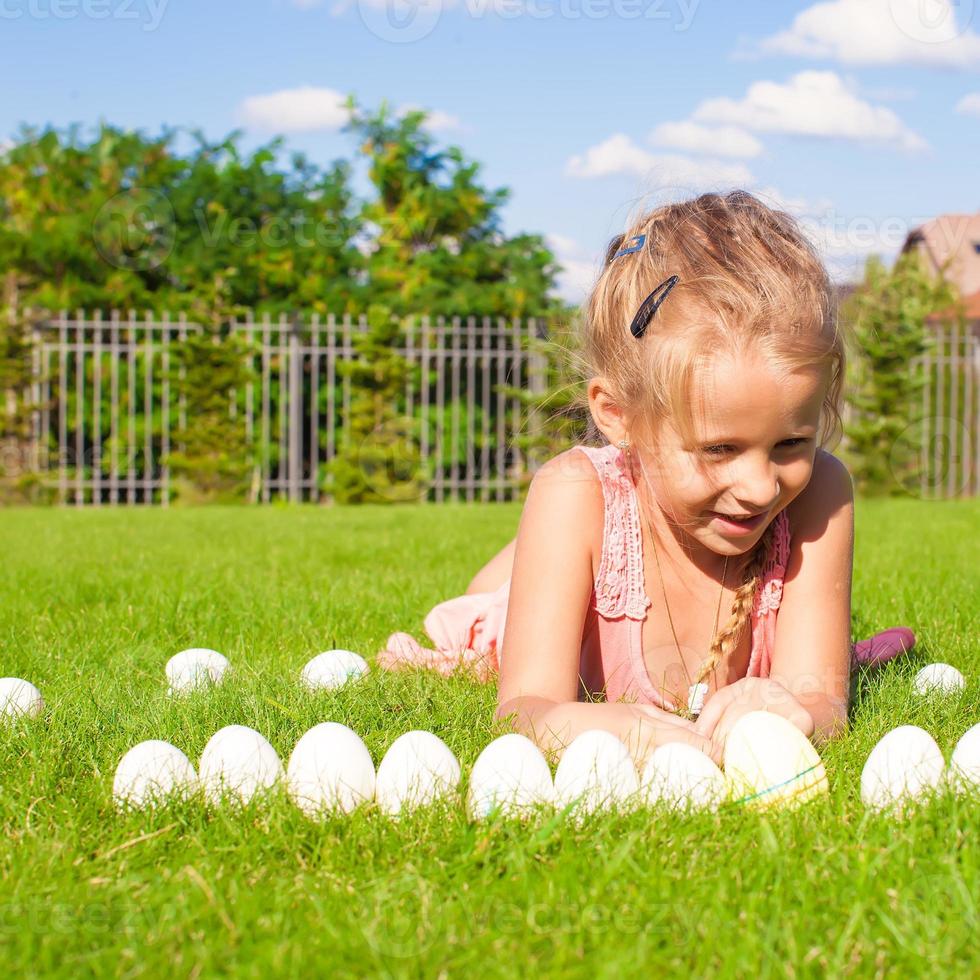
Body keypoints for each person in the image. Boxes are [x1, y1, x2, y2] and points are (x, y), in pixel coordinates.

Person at [377, 190, 916, 770]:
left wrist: (801, 710)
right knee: (493, 609)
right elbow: (523, 710)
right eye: (718, 449)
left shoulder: (819, 495)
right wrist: (590, 723)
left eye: (791, 444)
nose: (761, 487)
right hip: (582, 535)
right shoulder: (571, 495)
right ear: (617, 416)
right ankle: (517, 566)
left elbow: (823, 699)